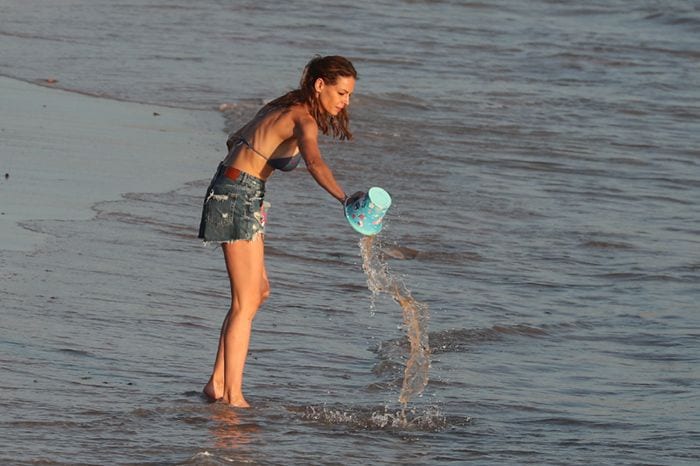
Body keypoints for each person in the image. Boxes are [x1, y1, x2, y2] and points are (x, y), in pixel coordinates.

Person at [198, 55, 360, 407]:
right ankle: (233, 396)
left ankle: (217, 383)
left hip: (243, 193)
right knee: (245, 302)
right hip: (237, 195)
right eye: (342, 93)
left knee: (259, 291)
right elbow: (315, 162)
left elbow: (234, 138)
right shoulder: (301, 117)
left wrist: (246, 175)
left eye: (349, 95)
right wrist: (345, 199)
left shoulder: (286, 105)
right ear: (320, 85)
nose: (346, 101)